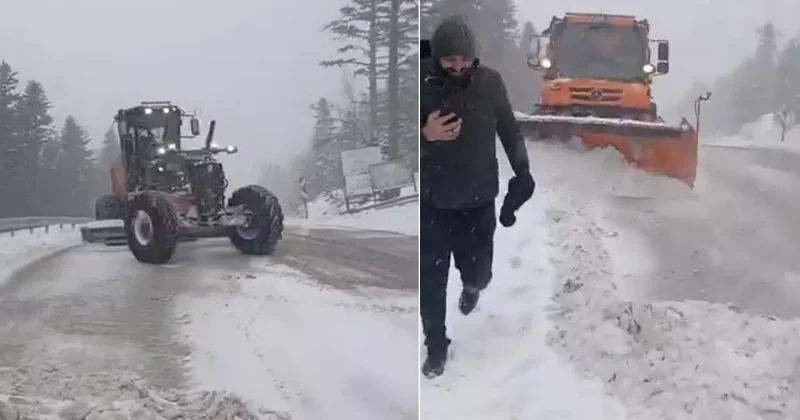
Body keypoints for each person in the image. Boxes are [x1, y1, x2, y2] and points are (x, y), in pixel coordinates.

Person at [420, 15, 536, 378]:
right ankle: (436, 345)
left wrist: (522, 170)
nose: (457, 66)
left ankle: (472, 288)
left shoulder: (490, 83)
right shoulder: (419, 84)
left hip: (478, 201)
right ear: (436, 57)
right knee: (430, 282)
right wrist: (424, 134)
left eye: (464, 59)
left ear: (475, 57)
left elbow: (509, 129)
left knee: (479, 275)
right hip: (433, 203)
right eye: (449, 59)